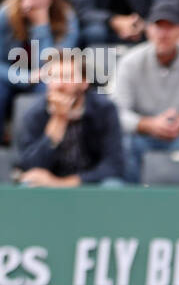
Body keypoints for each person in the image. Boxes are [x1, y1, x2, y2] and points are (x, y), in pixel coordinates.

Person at [108, 0, 179, 184]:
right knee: (122, 142)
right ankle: (131, 200)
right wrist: (148, 124)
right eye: (158, 26)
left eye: (170, 26)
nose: (163, 33)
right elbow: (117, 114)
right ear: (148, 29)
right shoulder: (130, 61)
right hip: (143, 137)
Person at [0, 0, 78, 142]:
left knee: (47, 87)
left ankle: (38, 143)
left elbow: (53, 65)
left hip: (43, 77)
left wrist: (41, 26)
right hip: (9, 74)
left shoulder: (67, 19)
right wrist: (24, 77)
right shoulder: (5, 13)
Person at [14, 47, 125, 186]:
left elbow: (113, 166)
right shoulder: (35, 113)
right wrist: (58, 122)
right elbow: (28, 166)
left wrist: (62, 183)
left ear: (84, 82)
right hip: (48, 187)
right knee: (27, 184)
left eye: (67, 77)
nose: (59, 85)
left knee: (113, 185)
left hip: (90, 184)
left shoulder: (104, 110)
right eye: (54, 77)